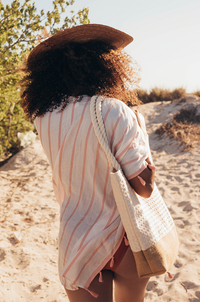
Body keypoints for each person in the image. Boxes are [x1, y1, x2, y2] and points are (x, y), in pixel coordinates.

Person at [20, 24, 155, 302]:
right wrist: (140, 132)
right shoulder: (114, 110)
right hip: (124, 238)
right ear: (106, 65)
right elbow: (144, 187)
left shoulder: (43, 118)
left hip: (76, 238)